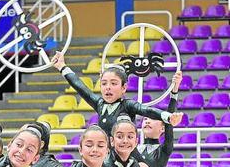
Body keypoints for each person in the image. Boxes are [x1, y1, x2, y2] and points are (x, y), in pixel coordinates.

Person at [51, 51, 181, 140]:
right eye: (104, 83)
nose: (108, 87)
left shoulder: (127, 105)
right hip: (105, 159)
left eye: (113, 83)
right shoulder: (100, 104)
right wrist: (62, 66)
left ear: (124, 88)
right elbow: (80, 86)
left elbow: (147, 111)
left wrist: (168, 117)